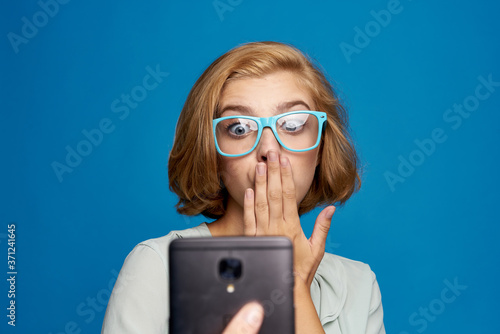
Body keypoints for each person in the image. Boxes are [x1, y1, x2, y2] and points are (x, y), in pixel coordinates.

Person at [102, 41, 385, 333]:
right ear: (213, 154)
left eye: (293, 123)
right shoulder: (158, 266)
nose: (268, 148)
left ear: (321, 149)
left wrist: (291, 284)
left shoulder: (360, 285)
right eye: (239, 128)